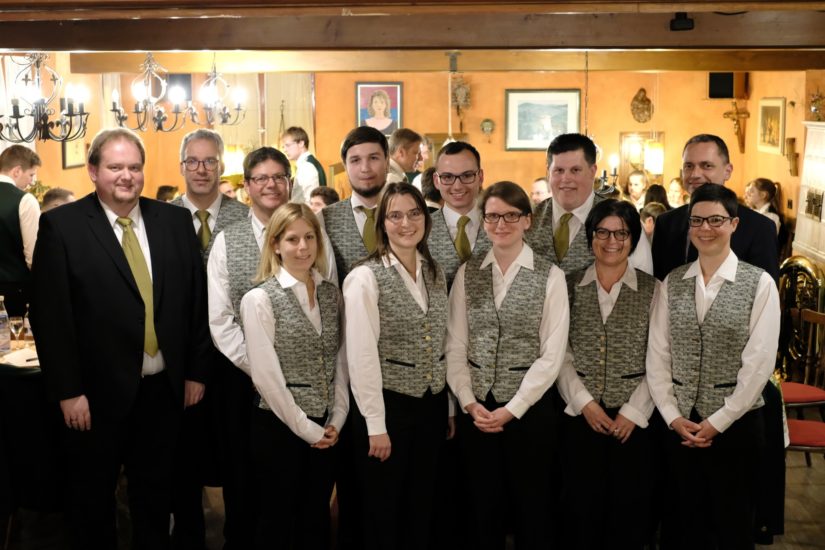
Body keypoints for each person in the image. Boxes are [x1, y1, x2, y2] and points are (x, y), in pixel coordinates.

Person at [29, 128, 212, 550]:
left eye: (134, 167)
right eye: (115, 167)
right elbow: (51, 318)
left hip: (164, 392)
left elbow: (196, 303)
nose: (127, 176)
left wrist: (196, 372)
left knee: (155, 500)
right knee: (93, 505)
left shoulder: (174, 222)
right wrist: (68, 391)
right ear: (93, 171)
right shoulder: (62, 227)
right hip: (94, 398)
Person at [646, 184, 780, 549]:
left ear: (734, 224)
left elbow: (759, 364)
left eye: (716, 220)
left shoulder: (760, 284)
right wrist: (672, 416)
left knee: (732, 528)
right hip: (679, 425)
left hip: (736, 427)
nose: (706, 228)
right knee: (680, 526)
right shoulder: (673, 282)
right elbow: (658, 356)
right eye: (697, 220)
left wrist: (718, 421)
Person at [446, 181, 568, 550]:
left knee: (533, 509)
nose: (501, 224)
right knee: (482, 511)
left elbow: (552, 355)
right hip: (478, 411)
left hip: (530, 413)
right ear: (483, 221)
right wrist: (469, 402)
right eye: (493, 216)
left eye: (511, 216)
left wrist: (513, 409)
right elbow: (455, 344)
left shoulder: (551, 276)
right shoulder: (468, 272)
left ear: (527, 220)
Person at [343, 182, 449, 550]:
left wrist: (449, 406)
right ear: (382, 223)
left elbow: (441, 341)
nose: (406, 223)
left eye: (414, 213)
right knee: (384, 509)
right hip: (388, 407)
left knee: (423, 505)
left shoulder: (434, 271)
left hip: (432, 405)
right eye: (395, 215)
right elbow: (361, 357)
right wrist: (375, 425)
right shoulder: (364, 277)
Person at [240, 203, 348, 550]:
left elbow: (339, 361)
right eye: (292, 239)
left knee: (315, 518)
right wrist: (307, 429)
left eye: (309, 237)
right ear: (275, 244)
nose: (303, 247)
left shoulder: (331, 293)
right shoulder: (259, 299)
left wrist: (338, 417)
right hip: (279, 428)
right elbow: (266, 378)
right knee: (277, 519)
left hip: (327, 425)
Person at [556, 198, 658, 549]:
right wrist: (583, 402)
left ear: (633, 239)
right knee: (579, 510)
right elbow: (559, 353)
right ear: (590, 237)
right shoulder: (566, 285)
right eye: (602, 232)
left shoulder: (654, 289)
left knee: (628, 513)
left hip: (635, 421)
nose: (611, 241)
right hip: (579, 416)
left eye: (621, 233)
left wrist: (633, 411)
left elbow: (660, 359)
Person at [169, 128, 251, 550]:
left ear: (221, 166)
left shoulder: (245, 217)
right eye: (193, 161)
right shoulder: (161, 217)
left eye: (210, 161)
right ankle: (188, 536)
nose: (201, 169)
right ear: (181, 166)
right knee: (183, 456)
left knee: (238, 453)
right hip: (180, 357)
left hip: (235, 357)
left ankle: (240, 534)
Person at [315, 126, 390, 549]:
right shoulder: (325, 220)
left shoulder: (410, 211)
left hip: (401, 360)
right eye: (356, 160)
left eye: (374, 157)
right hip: (344, 359)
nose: (365, 168)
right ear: (345, 168)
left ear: (387, 160)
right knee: (350, 474)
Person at [652, 134, 779, 282]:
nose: (695, 174)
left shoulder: (760, 227)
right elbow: (659, 283)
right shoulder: (666, 223)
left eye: (707, 166)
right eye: (689, 166)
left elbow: (766, 290)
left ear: (728, 171)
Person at [531, 133, 653, 276]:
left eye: (575, 170)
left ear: (592, 172)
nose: (566, 179)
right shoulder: (529, 219)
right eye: (559, 170)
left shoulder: (624, 220)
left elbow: (642, 281)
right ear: (548, 173)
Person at [431, 141, 491, 289]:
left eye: (467, 175)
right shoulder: (421, 229)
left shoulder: (502, 225)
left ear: (480, 177)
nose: (457, 186)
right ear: (436, 181)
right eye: (447, 177)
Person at [0, 145, 41, 316]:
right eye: (31, 175)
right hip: (13, 292)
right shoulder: (25, 200)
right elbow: (34, 257)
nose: (32, 182)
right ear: (16, 171)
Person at [282, 126, 328, 205]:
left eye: (288, 145)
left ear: (301, 143)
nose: (285, 150)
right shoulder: (308, 163)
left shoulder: (307, 167)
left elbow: (310, 202)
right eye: (283, 147)